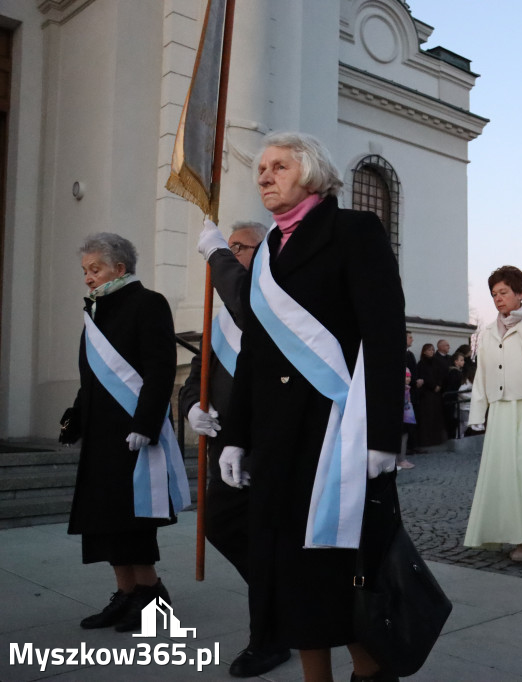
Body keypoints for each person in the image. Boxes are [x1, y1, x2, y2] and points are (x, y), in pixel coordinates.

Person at [218, 131, 405, 682]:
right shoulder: (269, 250)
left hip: (335, 432)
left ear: (311, 173)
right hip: (277, 439)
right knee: (291, 574)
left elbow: (385, 334)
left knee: (333, 571)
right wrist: (236, 434)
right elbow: (255, 352)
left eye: (277, 166)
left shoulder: (354, 231)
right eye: (260, 169)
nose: (264, 175)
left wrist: (381, 436)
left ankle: (371, 673)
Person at [62, 233, 185, 633]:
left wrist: (146, 424)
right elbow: (91, 379)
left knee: (132, 519)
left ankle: (151, 596)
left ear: (120, 268)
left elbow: (161, 368)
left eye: (94, 269)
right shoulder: (96, 313)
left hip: (133, 434)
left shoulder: (148, 303)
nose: (88, 278)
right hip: (101, 435)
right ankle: (126, 593)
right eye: (85, 271)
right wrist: (75, 418)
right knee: (104, 519)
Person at [183, 219, 291, 676]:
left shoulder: (272, 302)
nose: (228, 256)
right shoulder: (219, 315)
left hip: (263, 447)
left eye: (238, 248)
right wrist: (191, 410)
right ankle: (284, 599)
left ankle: (268, 636)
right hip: (222, 448)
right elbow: (194, 379)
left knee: (266, 542)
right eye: (224, 249)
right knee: (222, 526)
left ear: (261, 253)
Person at [464, 266, 522, 562]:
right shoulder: (488, 331)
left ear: (520, 293)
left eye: (503, 293)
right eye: (494, 294)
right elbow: (483, 373)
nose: (498, 299)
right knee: (499, 472)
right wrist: (478, 411)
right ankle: (498, 531)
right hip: (501, 405)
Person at [414, 343, 447, 446]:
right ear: (424, 351)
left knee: (436, 417)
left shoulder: (437, 362)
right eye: (429, 350)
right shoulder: (421, 364)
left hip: (436, 394)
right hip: (426, 394)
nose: (431, 352)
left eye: (432, 350)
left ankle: (436, 439)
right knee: (427, 418)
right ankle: (426, 440)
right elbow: (423, 378)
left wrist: (439, 385)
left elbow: (441, 375)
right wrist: (433, 386)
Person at [397, 368, 416, 470]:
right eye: (406, 376)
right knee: (402, 439)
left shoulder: (407, 388)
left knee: (404, 438)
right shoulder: (403, 389)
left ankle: (401, 459)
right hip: (403, 417)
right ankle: (400, 460)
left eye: (409, 376)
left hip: (407, 417)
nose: (408, 379)